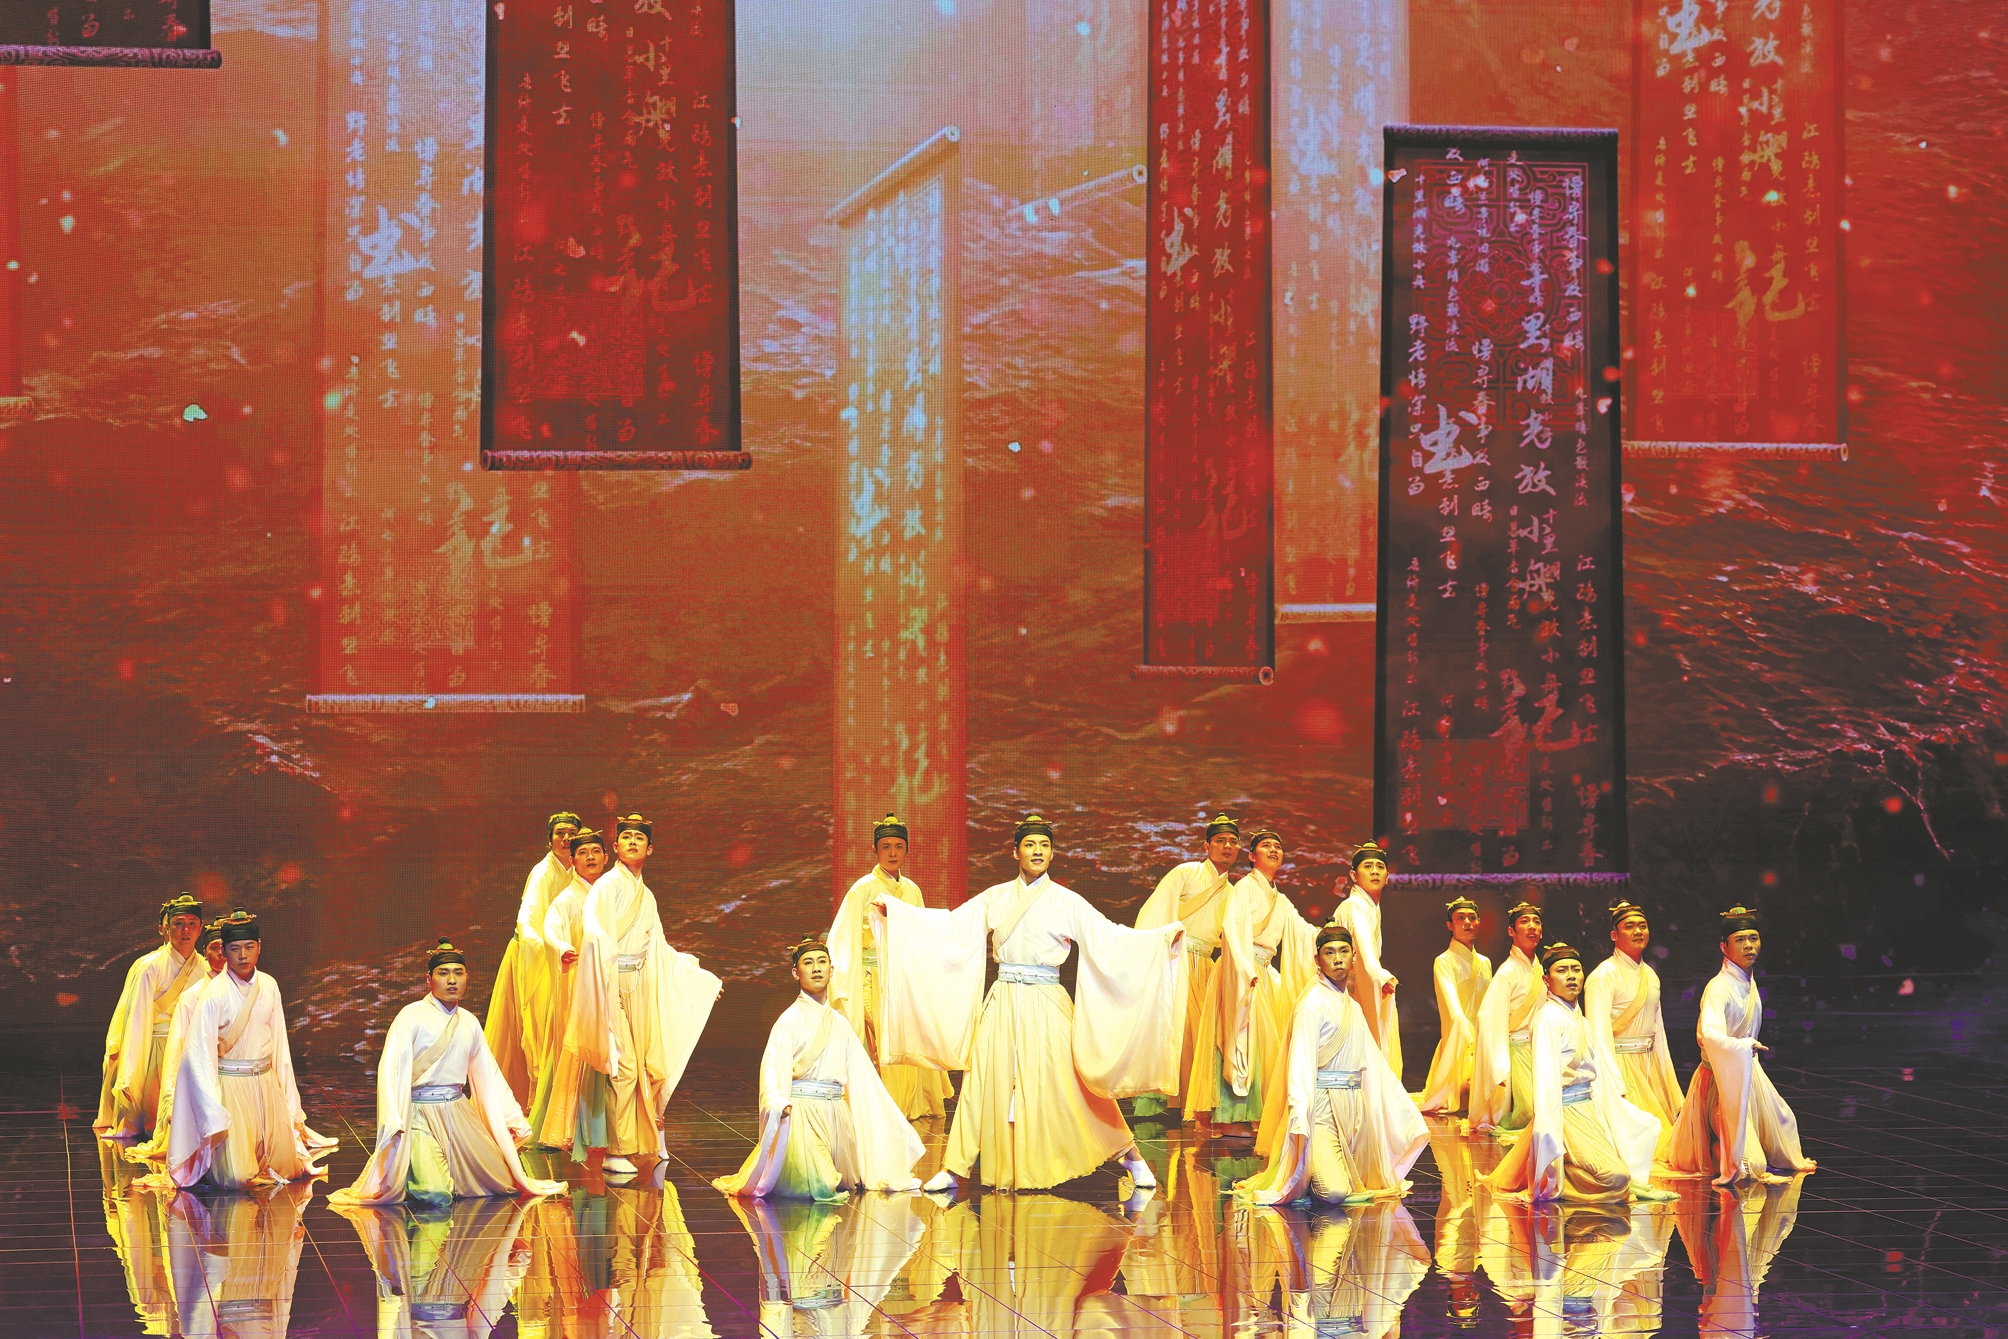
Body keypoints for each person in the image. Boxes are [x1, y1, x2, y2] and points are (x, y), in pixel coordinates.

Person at [870, 813, 1185, 1190]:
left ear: (1052, 854)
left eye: (1044, 845)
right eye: (1030, 845)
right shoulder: (996, 896)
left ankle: (1131, 1156)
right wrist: (899, 915)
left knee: (1075, 1083)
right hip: (1003, 997)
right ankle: (955, 1168)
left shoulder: (1066, 901)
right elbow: (951, 926)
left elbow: (1108, 937)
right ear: (1015, 852)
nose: (1037, 851)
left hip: (1047, 998)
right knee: (980, 1079)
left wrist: (1159, 939)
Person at [332, 939, 567, 1206]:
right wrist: (393, 1117)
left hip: (458, 1112)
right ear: (429, 979)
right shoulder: (411, 1016)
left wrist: (511, 1116)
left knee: (500, 1182)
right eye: (443, 973)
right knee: (434, 1193)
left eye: (458, 973)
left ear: (467, 977)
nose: (452, 980)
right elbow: (390, 1067)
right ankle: (414, 1170)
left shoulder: (469, 1022)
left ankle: (434, 1171)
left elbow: (488, 1074)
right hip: (419, 1113)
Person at [566, 814, 722, 1176]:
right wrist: (606, 962)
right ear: (615, 847)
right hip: (611, 981)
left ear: (649, 849)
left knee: (650, 1064)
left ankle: (646, 1139)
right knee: (623, 1066)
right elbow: (593, 929)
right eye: (626, 837)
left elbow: (659, 948)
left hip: (639, 982)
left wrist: (700, 981)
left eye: (639, 838)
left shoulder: (646, 896)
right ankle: (615, 1149)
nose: (633, 842)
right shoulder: (607, 887)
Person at [715, 935, 926, 1199]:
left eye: (822, 962)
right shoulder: (789, 1020)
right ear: (796, 973)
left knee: (849, 1181)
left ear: (831, 969)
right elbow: (772, 1064)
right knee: (821, 1183)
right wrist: (776, 1100)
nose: (816, 968)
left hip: (837, 1114)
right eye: (808, 963)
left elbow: (863, 1077)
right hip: (802, 1114)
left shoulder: (841, 1023)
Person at [1237, 923, 1428, 1205]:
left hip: (1355, 1108)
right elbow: (1300, 1063)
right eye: (1329, 953)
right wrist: (1299, 1113)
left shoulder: (1353, 1007)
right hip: (1322, 1108)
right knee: (1335, 1192)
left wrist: (1405, 1111)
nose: (1338, 959)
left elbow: (1374, 1064)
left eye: (1343, 951)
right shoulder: (1311, 1004)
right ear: (1317, 959)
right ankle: (1309, 1176)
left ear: (1354, 957)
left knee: (1368, 1179)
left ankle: (1322, 1167)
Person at [159, 910, 335, 1189]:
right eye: (235, 949)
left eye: (249, 947)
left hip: (266, 1083)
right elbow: (197, 1054)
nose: (243, 955)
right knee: (236, 1177)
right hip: (232, 1085)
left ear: (259, 947)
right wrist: (211, 1105)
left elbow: (280, 1044)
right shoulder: (213, 994)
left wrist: (289, 1099)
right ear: (224, 952)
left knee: (286, 1169)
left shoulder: (269, 985)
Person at [1481, 944, 1668, 1204]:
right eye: (1562, 970)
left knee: (1623, 1172)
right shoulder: (1548, 1019)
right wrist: (1548, 1130)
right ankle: (1559, 1176)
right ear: (1546, 980)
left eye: (1576, 969)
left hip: (1588, 1108)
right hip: (1564, 1111)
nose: (1571, 976)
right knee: (1616, 1178)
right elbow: (1545, 1082)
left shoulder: (1581, 1020)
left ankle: (1567, 1165)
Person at [1667, 908, 1818, 1186]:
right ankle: (1717, 1147)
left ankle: (1721, 1144)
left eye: (1753, 938)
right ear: (1724, 947)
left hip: (1748, 1071)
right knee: (1750, 1163)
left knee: (1784, 1122)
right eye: (1740, 940)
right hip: (1722, 1079)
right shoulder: (1719, 987)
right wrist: (1742, 1045)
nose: (1749, 945)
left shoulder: (1747, 980)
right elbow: (1709, 1034)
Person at [827, 813, 953, 1121]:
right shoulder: (862, 889)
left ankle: (909, 1104)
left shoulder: (912, 890)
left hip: (902, 978)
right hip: (871, 977)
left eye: (898, 846)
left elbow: (920, 934)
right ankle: (882, 1108)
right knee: (881, 1039)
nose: (892, 853)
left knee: (909, 1037)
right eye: (886, 847)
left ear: (907, 850)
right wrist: (843, 977)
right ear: (875, 850)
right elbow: (842, 936)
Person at [1133, 815, 1244, 1120]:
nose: (1227, 846)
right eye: (1220, 840)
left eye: (1233, 842)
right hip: (1176, 960)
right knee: (1176, 1028)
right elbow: (1155, 911)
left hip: (1205, 965)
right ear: (1206, 846)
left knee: (1201, 1034)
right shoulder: (1185, 873)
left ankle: (1191, 1103)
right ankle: (1168, 1100)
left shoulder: (1233, 893)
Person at [1211, 828, 1319, 1137]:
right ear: (1252, 856)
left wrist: (1331, 934)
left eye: (1277, 847)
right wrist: (1244, 968)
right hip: (1241, 970)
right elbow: (1232, 928)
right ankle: (1232, 1117)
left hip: (1262, 974)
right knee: (1241, 1039)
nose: (1273, 850)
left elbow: (1302, 931)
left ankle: (1255, 1113)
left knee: (1260, 1044)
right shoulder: (1244, 888)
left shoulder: (1280, 900)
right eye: (1266, 846)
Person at [335, 1195, 534, 1339]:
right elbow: (489, 1306)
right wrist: (517, 1261)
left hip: (430, 1291)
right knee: (454, 1217)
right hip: (449, 1290)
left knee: (435, 1219)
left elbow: (489, 1306)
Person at [486, 811, 582, 1106]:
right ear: (550, 839)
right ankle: (536, 1098)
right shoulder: (543, 873)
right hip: (535, 956)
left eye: (572, 834)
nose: (566, 838)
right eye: (560, 833)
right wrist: (550, 950)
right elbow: (527, 922)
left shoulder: (575, 870)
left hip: (561, 955)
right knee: (536, 1024)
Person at [527, 826, 610, 1156]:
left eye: (595, 852)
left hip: (607, 985)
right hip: (577, 985)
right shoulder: (567, 899)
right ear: (572, 861)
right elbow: (550, 929)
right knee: (574, 1051)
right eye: (582, 853)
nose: (590, 858)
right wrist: (562, 947)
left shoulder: (611, 894)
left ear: (606, 857)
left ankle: (605, 1127)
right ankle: (565, 1126)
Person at [98, 893, 208, 1140]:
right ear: (165, 929)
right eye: (178, 923)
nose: (185, 930)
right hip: (158, 1047)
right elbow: (136, 1020)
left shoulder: (205, 967)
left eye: (192, 923)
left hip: (192, 1046)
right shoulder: (149, 967)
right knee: (158, 1120)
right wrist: (131, 1068)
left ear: (201, 928)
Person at [1584, 900, 1684, 1160]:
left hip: (1649, 1064)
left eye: (1642, 925)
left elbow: (1658, 1033)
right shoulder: (1604, 975)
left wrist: (1669, 1082)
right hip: (1620, 1065)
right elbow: (1598, 1034)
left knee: (1665, 1139)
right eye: (1629, 926)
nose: (1638, 931)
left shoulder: (1650, 975)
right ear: (1614, 935)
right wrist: (1614, 1080)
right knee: (1642, 1145)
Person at [126, 918, 229, 1165]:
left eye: (228, 948)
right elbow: (137, 1016)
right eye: (215, 948)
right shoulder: (185, 991)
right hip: (187, 1055)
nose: (223, 955)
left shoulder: (258, 987)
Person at [1470, 897, 1546, 1133]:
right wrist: (1498, 1064)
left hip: (1541, 1050)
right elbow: (1489, 1019)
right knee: (1532, 1114)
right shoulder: (1507, 972)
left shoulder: (1541, 969)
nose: (1532, 926)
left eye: (1536, 922)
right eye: (1525, 922)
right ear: (1511, 931)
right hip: (1517, 1053)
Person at [1332, 841, 1402, 1080]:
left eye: (1380, 867)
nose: (1374, 871)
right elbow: (1364, 947)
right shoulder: (1354, 906)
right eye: (1368, 866)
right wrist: (1378, 974)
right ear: (1354, 875)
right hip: (1346, 991)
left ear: (1387, 877)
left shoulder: (1369, 906)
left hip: (1354, 987)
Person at [1418, 896, 1494, 1116]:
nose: (1467, 922)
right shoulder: (1444, 961)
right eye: (1460, 918)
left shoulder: (1485, 962)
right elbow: (1451, 1003)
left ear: (1479, 923)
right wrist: (1464, 1029)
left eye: (1472, 918)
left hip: (1482, 1033)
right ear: (1450, 925)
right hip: (1459, 1031)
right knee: (1458, 1097)